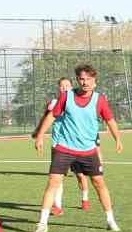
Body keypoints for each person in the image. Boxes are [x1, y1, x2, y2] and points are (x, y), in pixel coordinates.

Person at [32, 64, 123, 232]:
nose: (85, 82)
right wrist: (40, 135)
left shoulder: (100, 100)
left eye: (88, 79)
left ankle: (110, 220)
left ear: (94, 81)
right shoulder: (66, 96)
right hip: (64, 148)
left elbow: (110, 120)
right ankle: (42, 223)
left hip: (88, 150)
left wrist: (117, 138)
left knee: (99, 183)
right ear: (77, 80)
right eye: (82, 79)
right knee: (53, 182)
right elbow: (52, 115)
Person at [32, 77, 90, 216]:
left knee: (81, 175)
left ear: (71, 87)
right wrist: (39, 135)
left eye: (67, 85)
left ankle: (85, 199)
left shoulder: (77, 102)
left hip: (77, 145)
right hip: (58, 145)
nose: (64, 87)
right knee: (57, 178)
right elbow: (46, 119)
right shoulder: (53, 103)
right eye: (62, 86)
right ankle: (57, 206)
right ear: (58, 88)